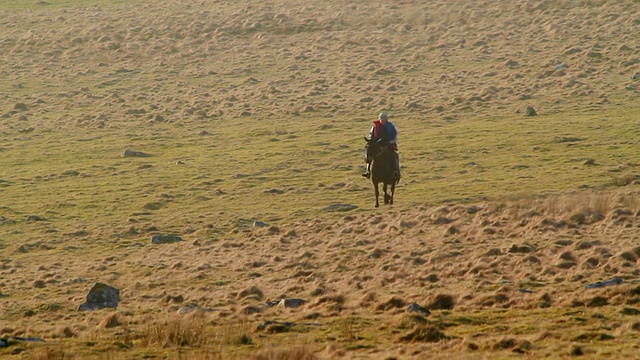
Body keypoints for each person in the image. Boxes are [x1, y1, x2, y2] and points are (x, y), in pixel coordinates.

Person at [362, 111, 400, 180]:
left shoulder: (390, 126)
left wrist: (390, 142)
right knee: (370, 153)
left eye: (383, 119)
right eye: (381, 119)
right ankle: (367, 171)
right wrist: (372, 142)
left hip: (388, 144)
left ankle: (395, 171)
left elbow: (394, 136)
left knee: (394, 155)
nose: (382, 121)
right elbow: (371, 135)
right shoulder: (375, 127)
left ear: (386, 119)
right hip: (377, 144)